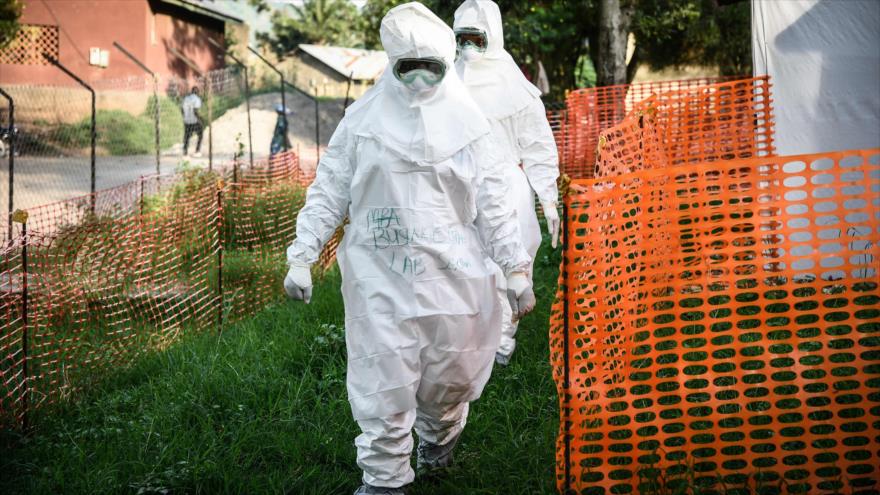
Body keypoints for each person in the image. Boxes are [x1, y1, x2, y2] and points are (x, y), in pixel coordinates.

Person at [282, 3, 536, 494]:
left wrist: (515, 268)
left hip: (455, 277)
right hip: (380, 277)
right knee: (384, 378)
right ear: (391, 64)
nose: (420, 80)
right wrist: (302, 254)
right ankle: (384, 480)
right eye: (408, 68)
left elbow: (494, 204)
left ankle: (439, 439)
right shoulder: (361, 125)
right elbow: (329, 190)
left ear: (445, 65)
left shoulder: (470, 128)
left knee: (449, 377)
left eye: (432, 68)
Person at [454, 0, 561, 366]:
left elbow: (538, 145)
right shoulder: (448, 81)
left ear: (493, 37)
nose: (468, 49)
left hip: (506, 184)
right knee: (465, 265)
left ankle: (501, 341)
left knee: (509, 263)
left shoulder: (516, 88)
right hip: (458, 186)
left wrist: (548, 197)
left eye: (475, 39)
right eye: (461, 39)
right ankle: (467, 339)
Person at [181, 86, 204, 157]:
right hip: (194, 120)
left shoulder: (186, 98)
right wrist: (200, 119)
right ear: (197, 92)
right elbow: (195, 110)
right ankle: (197, 150)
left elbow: (182, 109)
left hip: (187, 120)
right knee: (200, 134)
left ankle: (185, 152)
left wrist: (185, 116)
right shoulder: (197, 99)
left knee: (187, 136)